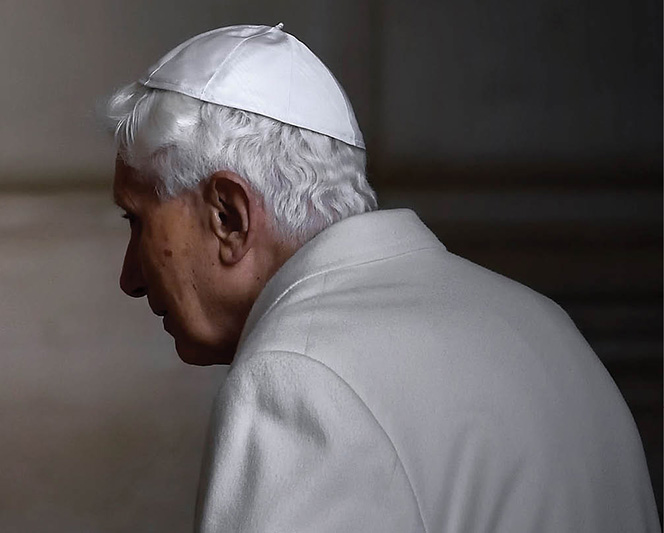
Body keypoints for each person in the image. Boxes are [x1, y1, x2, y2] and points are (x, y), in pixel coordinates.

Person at [105, 23, 659, 532]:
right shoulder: (542, 322)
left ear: (229, 215)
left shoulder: (297, 372)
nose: (130, 278)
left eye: (137, 220)